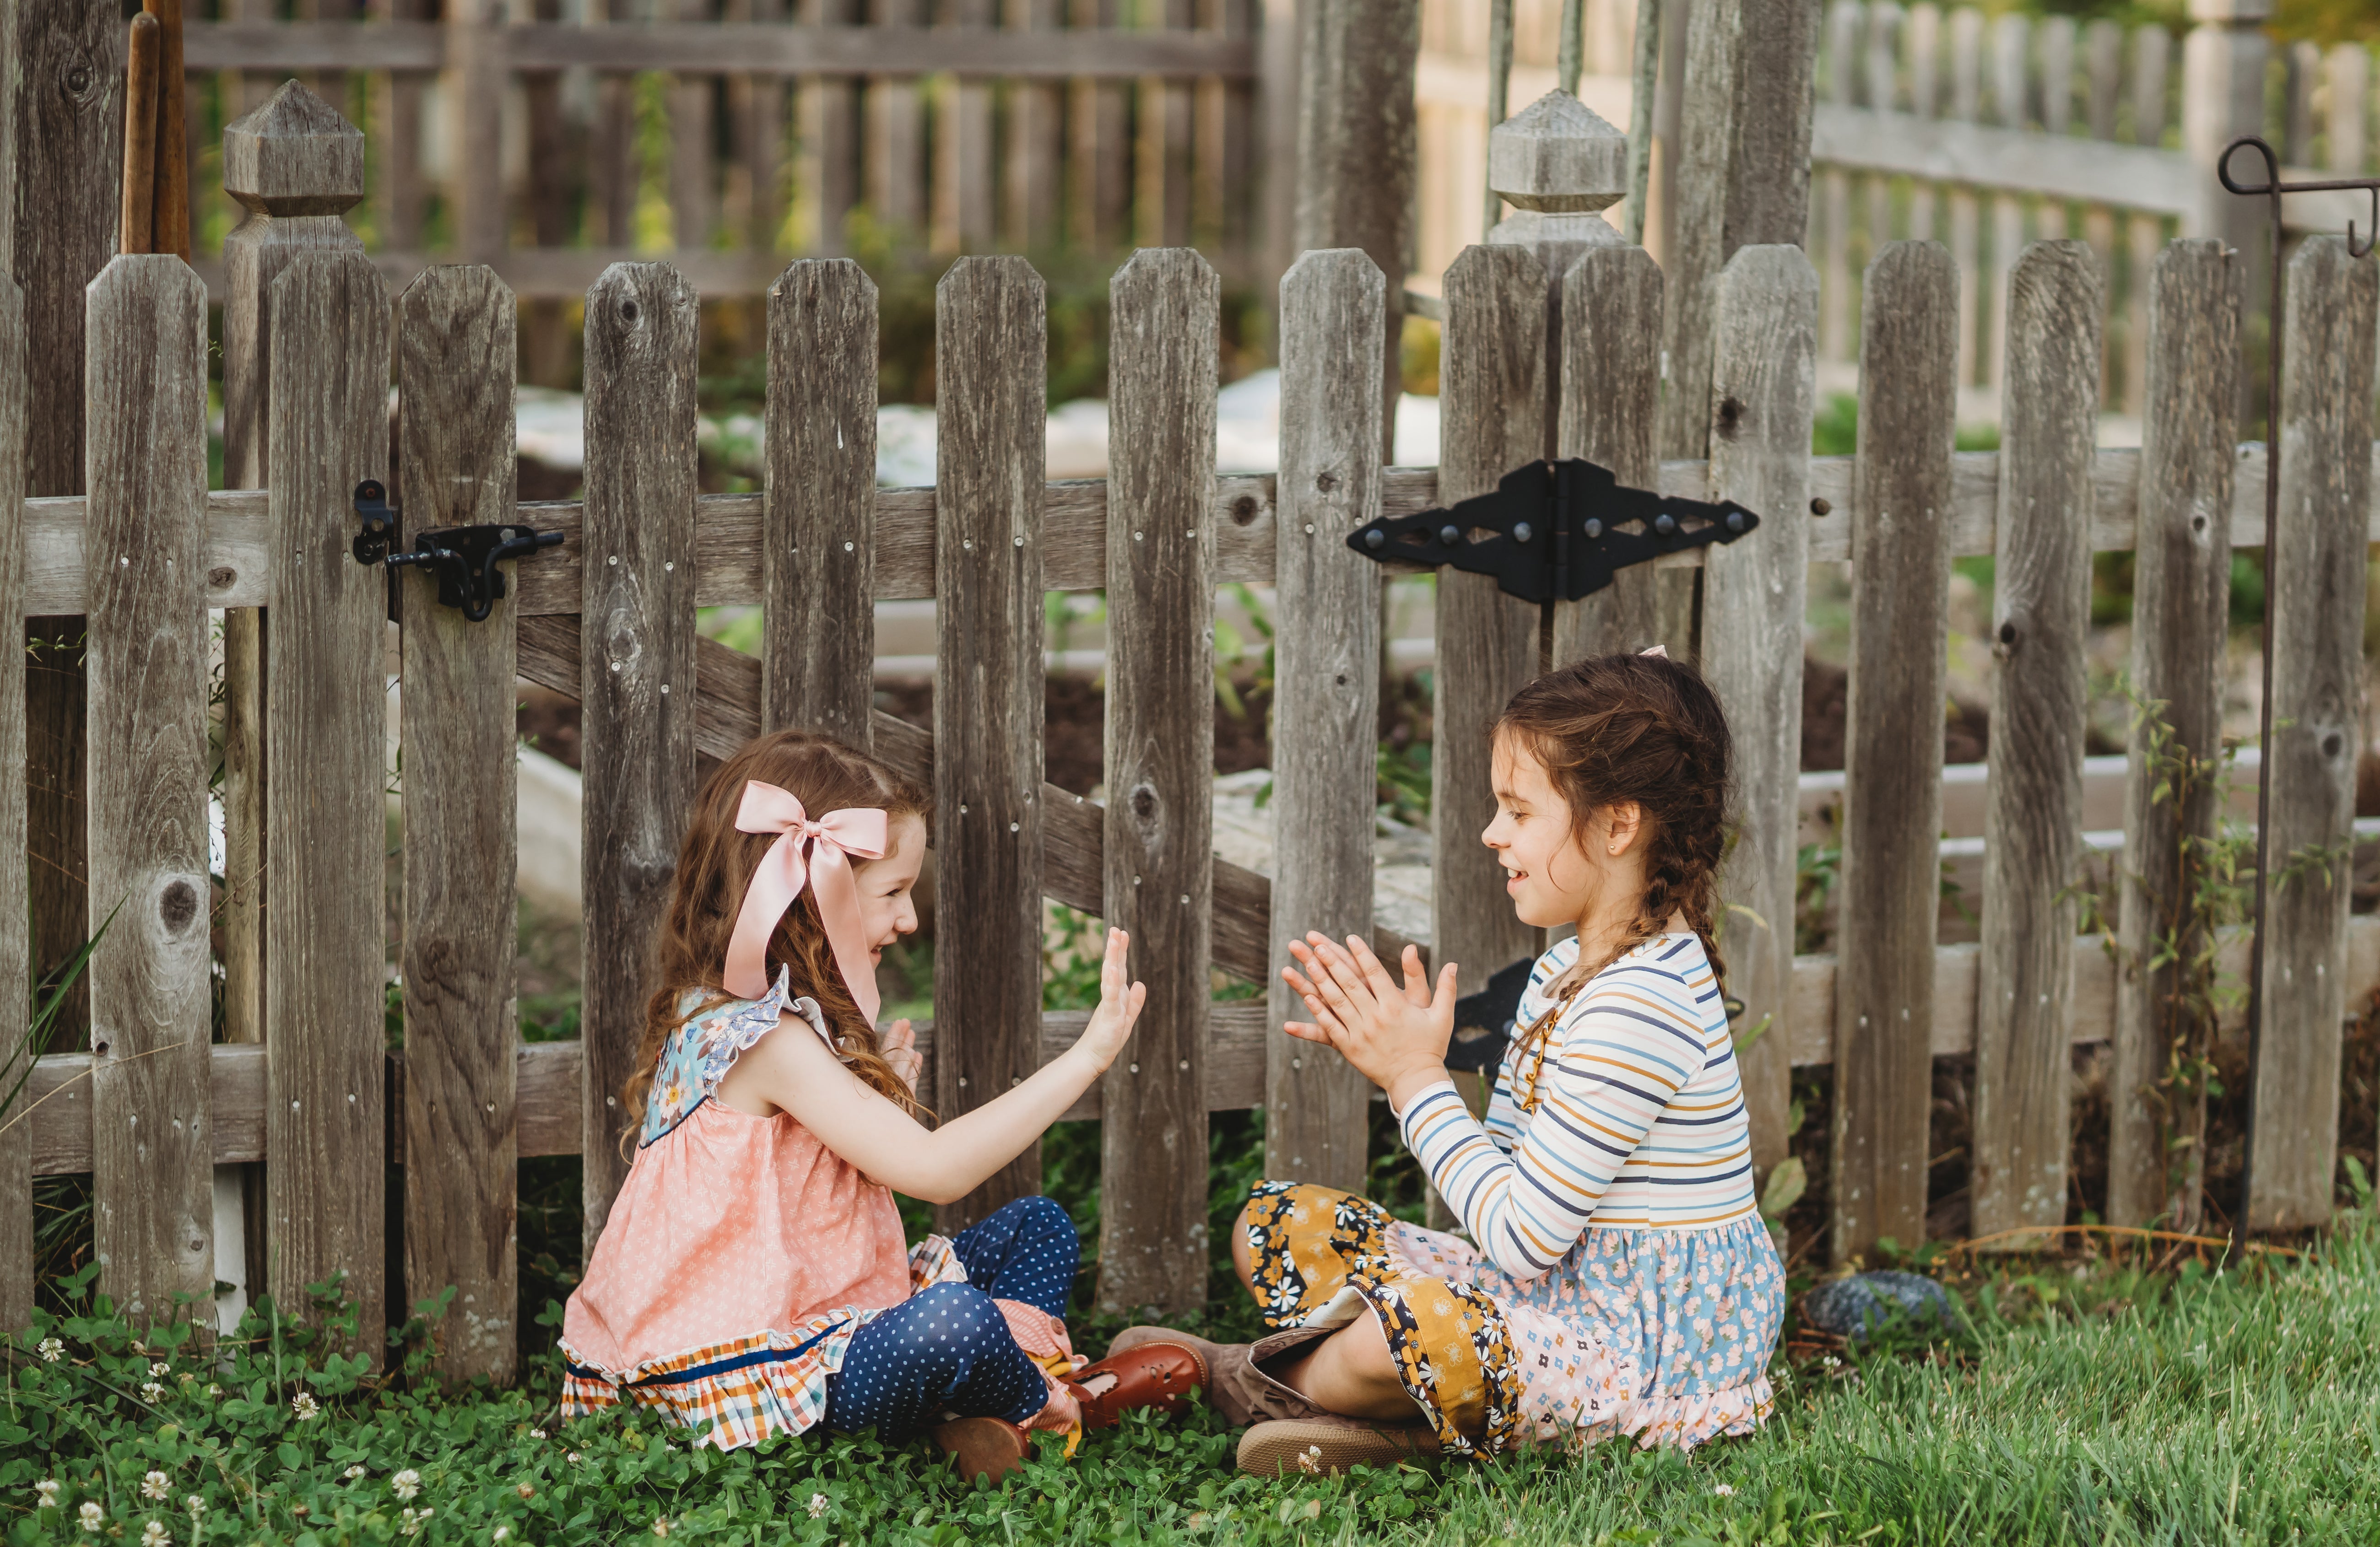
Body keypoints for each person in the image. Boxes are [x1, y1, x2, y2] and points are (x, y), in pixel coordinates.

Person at [1107, 650, 1786, 1475]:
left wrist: (1415, 1083)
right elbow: (1500, 1213)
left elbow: (1522, 1240)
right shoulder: (1562, 971)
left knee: (1402, 1333)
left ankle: (1252, 1382)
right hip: (1549, 1299)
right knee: (1276, 1228)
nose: (1491, 832)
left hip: (1641, 1361)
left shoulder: (1639, 1004)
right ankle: (1402, 1416)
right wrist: (1411, 1064)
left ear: (1618, 823)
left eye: (1518, 810)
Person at [560, 730, 1206, 1479]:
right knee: (953, 1322)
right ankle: (1058, 1403)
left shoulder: (755, 1011)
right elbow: (933, 1172)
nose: (909, 921)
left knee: (1039, 1225)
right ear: (812, 899)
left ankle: (983, 1417)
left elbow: (806, 1183)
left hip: (826, 1315)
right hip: (747, 1363)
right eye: (893, 892)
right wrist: (1086, 1057)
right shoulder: (767, 1039)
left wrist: (868, 1094)